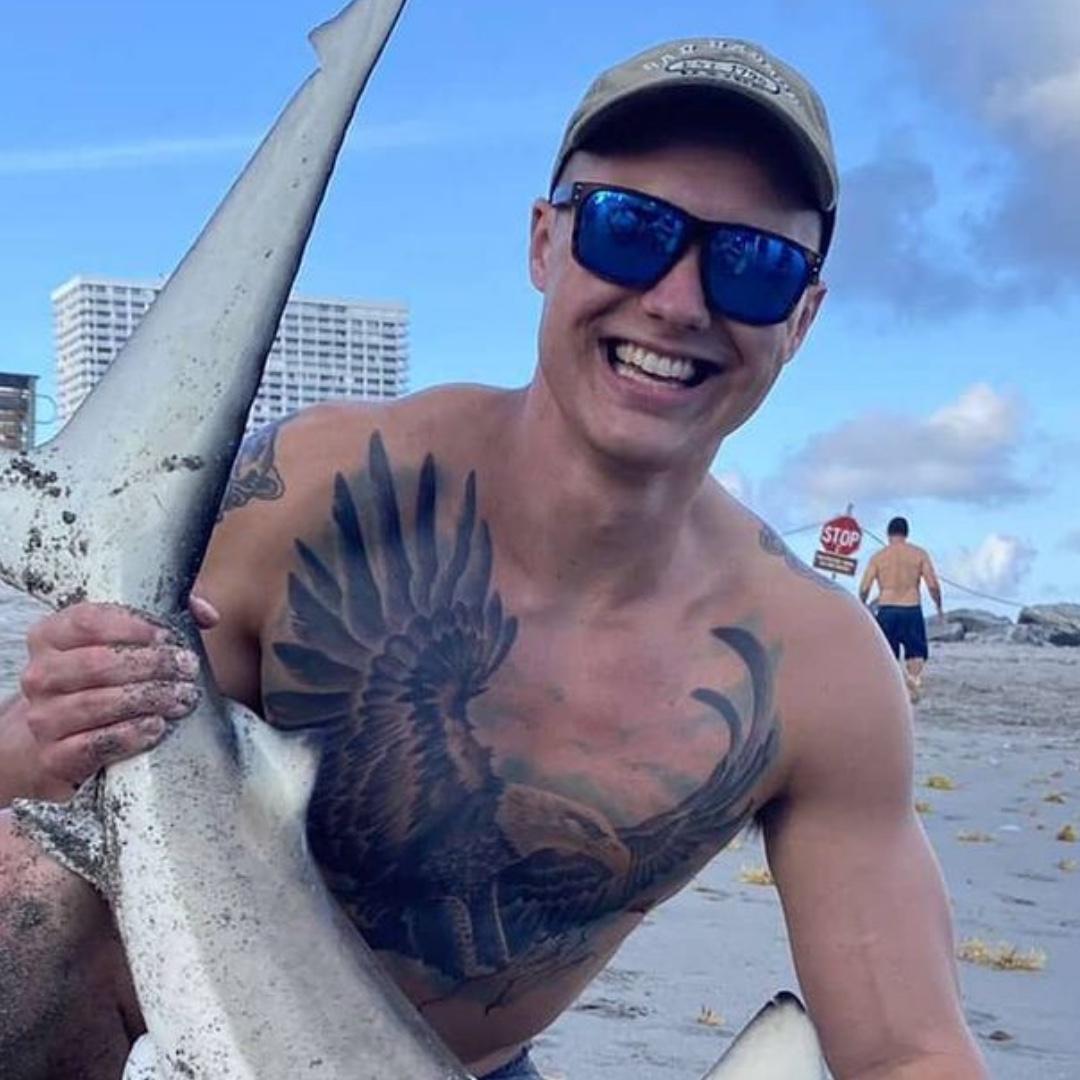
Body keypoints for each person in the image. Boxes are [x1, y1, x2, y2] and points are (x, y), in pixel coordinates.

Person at [0, 37, 986, 1080]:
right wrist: (34, 740)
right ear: (545, 243)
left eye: (754, 264)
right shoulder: (313, 498)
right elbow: (51, 776)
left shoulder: (819, 674)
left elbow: (909, 1050)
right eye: (629, 230)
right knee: (27, 885)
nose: (678, 301)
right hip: (147, 1024)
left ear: (803, 316)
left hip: (454, 1065)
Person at [859, 517, 944, 704]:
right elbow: (932, 585)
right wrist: (938, 605)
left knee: (888, 653)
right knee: (916, 653)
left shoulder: (878, 557)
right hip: (911, 608)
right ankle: (913, 681)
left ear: (888, 534)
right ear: (906, 533)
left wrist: (862, 605)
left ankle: (892, 688)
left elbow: (865, 586)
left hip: (887, 609)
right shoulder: (919, 554)